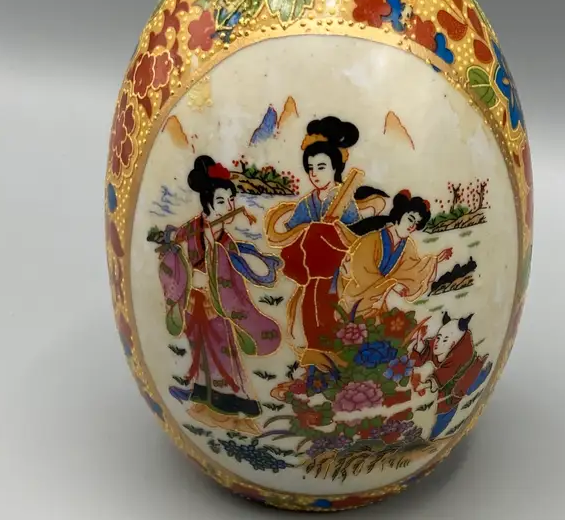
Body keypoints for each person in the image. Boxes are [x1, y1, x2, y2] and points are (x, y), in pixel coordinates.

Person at [159, 155, 282, 435]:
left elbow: (234, 275)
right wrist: (181, 264)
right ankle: (204, 400)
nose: (228, 206)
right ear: (207, 204)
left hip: (218, 306)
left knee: (224, 353)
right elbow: (173, 254)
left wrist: (223, 263)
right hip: (194, 302)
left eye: (230, 200)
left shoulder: (225, 241)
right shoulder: (191, 231)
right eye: (221, 201)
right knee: (200, 352)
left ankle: (232, 407)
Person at [264, 117, 384, 369]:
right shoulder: (308, 202)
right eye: (310, 168)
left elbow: (353, 236)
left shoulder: (343, 200)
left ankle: (335, 358)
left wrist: (326, 232)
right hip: (312, 272)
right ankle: (316, 356)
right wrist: (307, 232)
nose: (315, 174)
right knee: (310, 311)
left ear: (334, 167)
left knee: (332, 312)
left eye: (321, 167)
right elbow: (292, 230)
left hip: (336, 272)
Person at [337, 191, 453, 321]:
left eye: (416, 224)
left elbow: (412, 269)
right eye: (410, 219)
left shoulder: (407, 246)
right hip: (357, 296)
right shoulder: (372, 240)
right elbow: (362, 272)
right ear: (399, 214)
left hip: (379, 299)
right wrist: (391, 285)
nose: (412, 227)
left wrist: (436, 260)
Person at [411, 312, 492, 439]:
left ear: (454, 344)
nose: (438, 342)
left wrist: (429, 383)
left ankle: (434, 436)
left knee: (448, 407)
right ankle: (433, 435)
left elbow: (447, 371)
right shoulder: (438, 346)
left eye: (445, 340)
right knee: (443, 406)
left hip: (461, 382)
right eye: (438, 338)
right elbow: (423, 357)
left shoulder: (461, 353)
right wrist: (418, 350)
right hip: (449, 386)